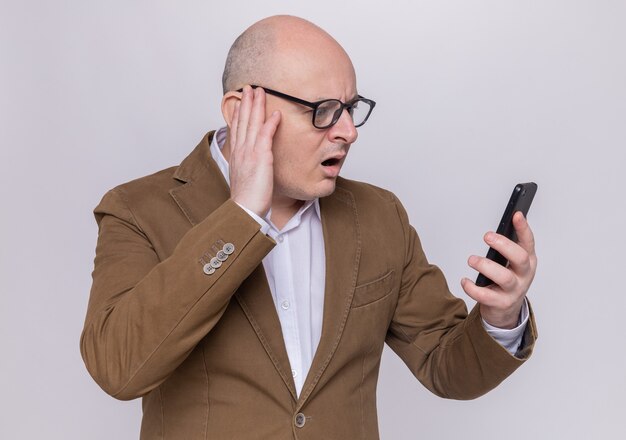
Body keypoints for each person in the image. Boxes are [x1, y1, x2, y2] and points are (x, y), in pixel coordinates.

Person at [80, 15, 538, 439]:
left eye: (350, 108)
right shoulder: (137, 210)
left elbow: (446, 365)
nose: (347, 131)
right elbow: (120, 369)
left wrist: (500, 319)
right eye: (321, 109)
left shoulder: (380, 215)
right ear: (240, 110)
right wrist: (241, 216)